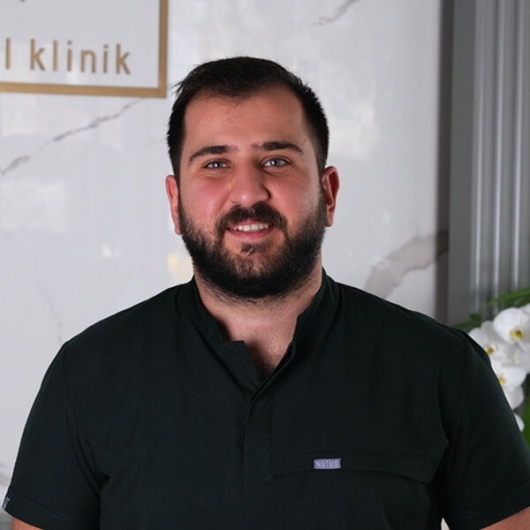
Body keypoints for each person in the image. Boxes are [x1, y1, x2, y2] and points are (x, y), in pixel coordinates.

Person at [4, 56, 530, 530]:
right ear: (175, 202)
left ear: (328, 193)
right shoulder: (89, 374)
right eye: (215, 163)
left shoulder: (442, 368)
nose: (248, 192)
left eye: (276, 160)